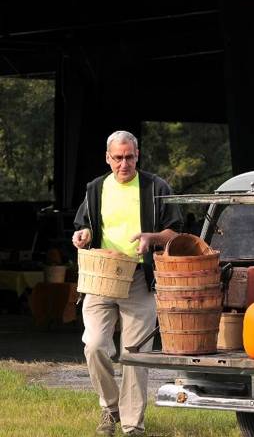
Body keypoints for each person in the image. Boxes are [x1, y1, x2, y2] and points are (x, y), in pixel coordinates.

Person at [72, 130, 182, 436]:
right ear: (108, 158)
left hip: (139, 279)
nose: (124, 164)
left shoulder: (155, 187)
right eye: (118, 158)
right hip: (102, 276)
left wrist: (153, 237)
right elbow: (85, 227)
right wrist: (83, 235)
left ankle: (133, 425)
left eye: (129, 157)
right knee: (94, 346)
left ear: (137, 156)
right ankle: (110, 407)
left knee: (134, 353)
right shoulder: (95, 188)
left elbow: (176, 231)